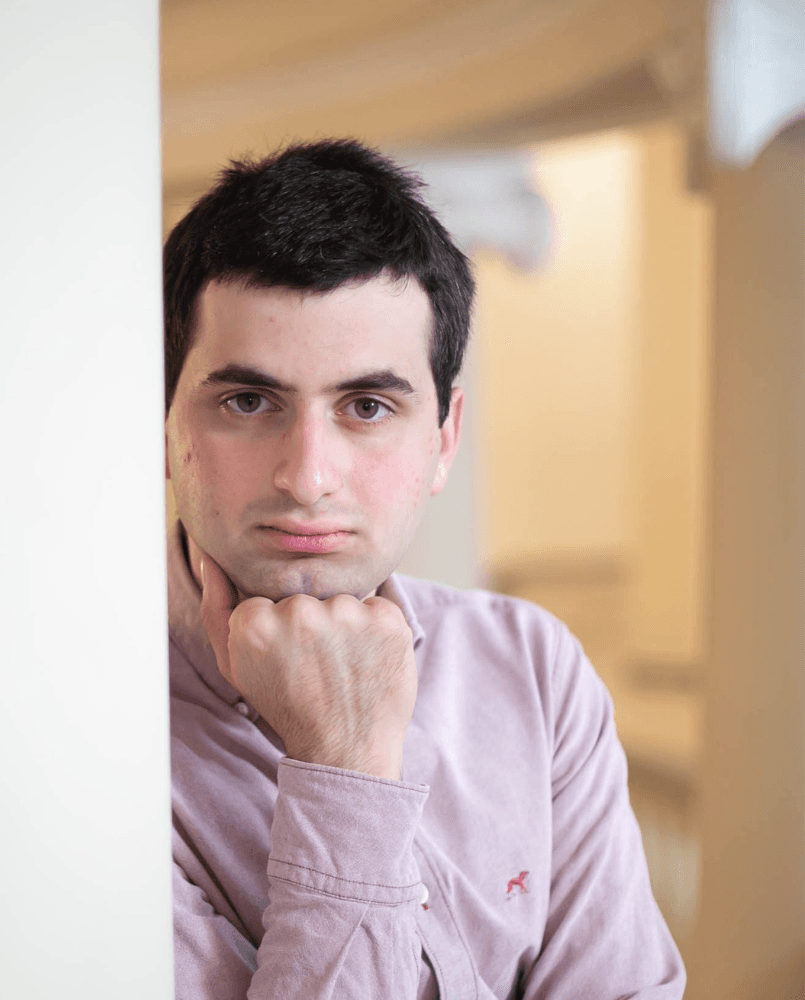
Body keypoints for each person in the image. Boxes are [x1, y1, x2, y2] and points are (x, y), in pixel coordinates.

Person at [164, 138, 685, 999]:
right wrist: (344, 761)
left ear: (444, 441)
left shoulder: (532, 670)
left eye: (368, 406)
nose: (308, 477)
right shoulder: (85, 740)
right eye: (248, 402)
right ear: (164, 426)